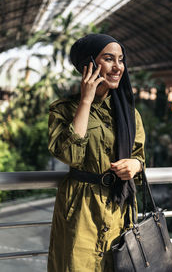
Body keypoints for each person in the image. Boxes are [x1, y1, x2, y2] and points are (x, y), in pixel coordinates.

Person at [47, 34, 145, 272]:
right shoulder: (64, 109)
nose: (117, 67)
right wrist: (86, 100)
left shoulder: (129, 113)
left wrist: (135, 165)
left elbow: (140, 156)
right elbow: (70, 155)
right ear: (88, 64)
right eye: (109, 59)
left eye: (121, 60)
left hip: (119, 208)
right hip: (80, 209)